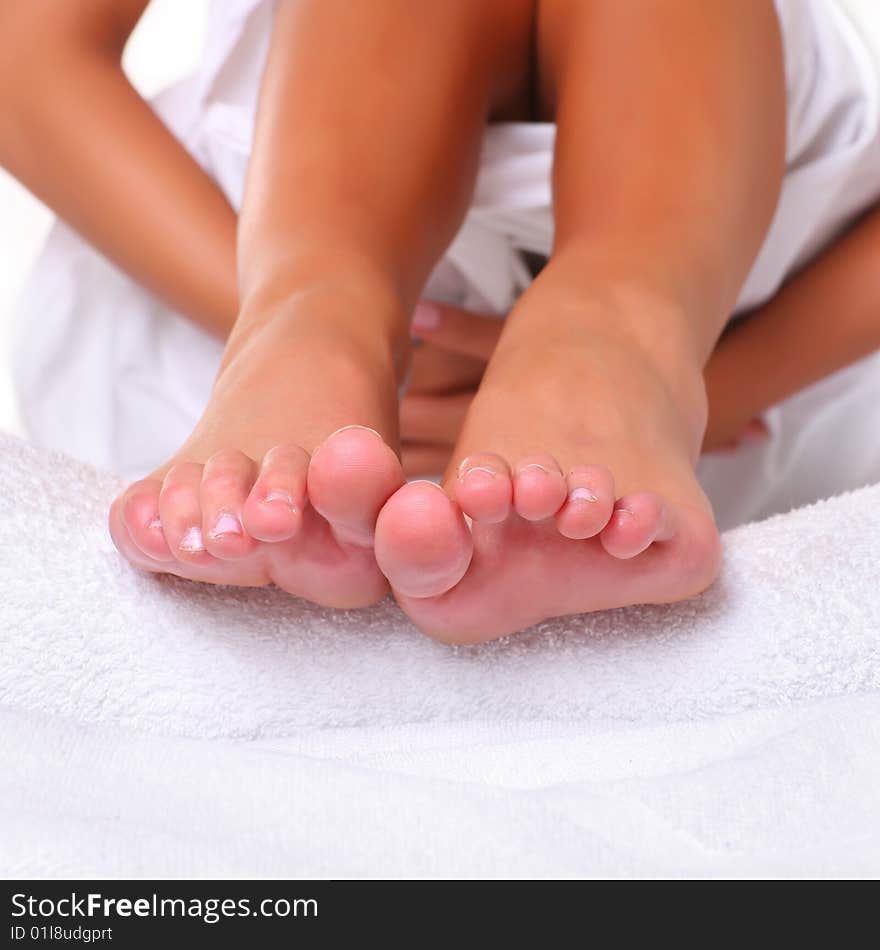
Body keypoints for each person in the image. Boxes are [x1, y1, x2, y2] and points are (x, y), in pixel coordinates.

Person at [3, 0, 880, 642]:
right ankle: (316, 326)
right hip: (260, 249)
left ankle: (612, 338)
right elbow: (24, 54)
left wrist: (721, 385)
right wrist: (290, 315)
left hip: (737, 312)